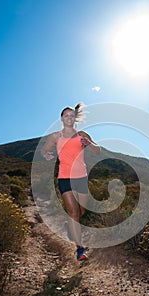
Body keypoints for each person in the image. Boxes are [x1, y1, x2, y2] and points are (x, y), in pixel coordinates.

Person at [41, 103, 101, 260]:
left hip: (81, 177)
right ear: (62, 119)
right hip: (64, 178)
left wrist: (89, 144)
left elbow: (98, 150)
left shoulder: (82, 134)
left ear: (75, 118)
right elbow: (44, 151)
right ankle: (80, 248)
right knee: (73, 211)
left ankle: (70, 225)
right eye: (66, 115)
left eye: (71, 115)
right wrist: (47, 155)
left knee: (81, 211)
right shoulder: (56, 137)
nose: (69, 117)